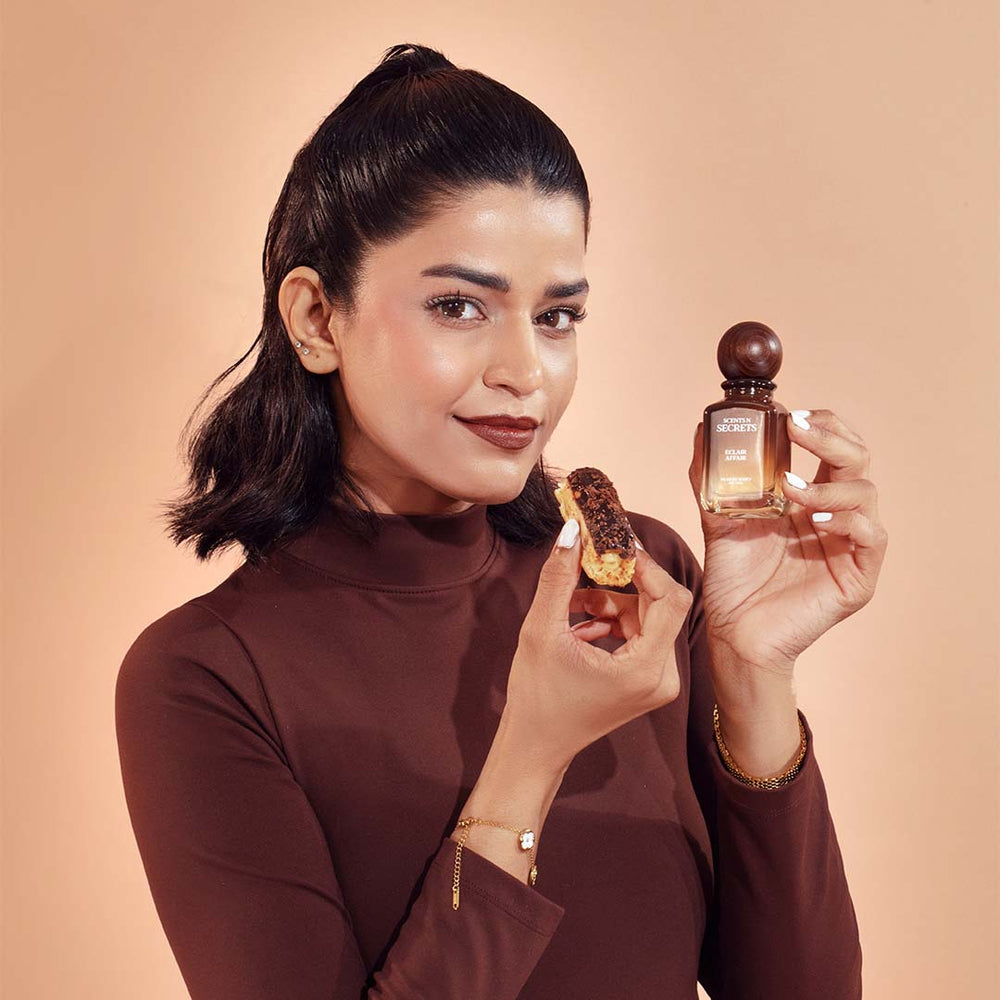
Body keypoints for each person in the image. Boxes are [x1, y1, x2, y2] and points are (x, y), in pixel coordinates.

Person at [114, 42, 887, 999]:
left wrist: (750, 671)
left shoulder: (642, 585)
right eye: (458, 305)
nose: (525, 372)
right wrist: (531, 753)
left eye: (557, 317)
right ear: (316, 318)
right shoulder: (209, 676)